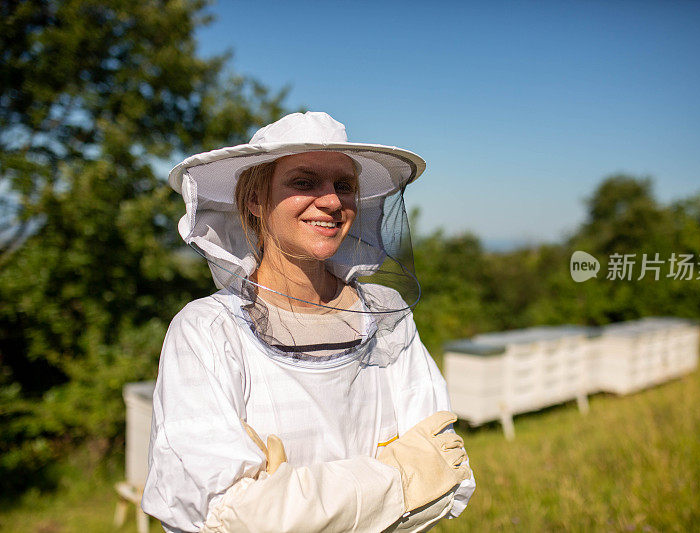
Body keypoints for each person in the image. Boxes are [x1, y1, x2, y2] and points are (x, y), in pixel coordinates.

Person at [141, 111, 476, 532]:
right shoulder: (206, 331)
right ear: (255, 200)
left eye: (344, 185)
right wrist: (403, 478)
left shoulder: (387, 316)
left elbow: (451, 475)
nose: (332, 202)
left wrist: (294, 498)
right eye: (303, 182)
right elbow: (224, 514)